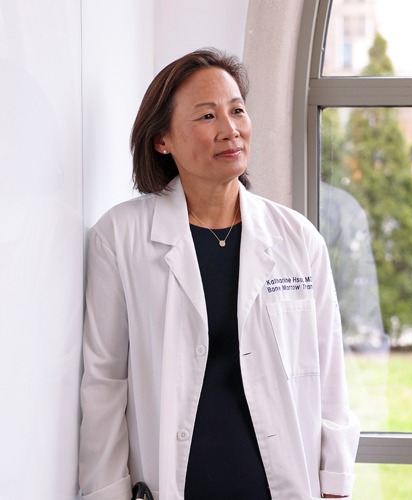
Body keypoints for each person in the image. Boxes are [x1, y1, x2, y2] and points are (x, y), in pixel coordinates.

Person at [79, 48, 359, 500]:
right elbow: (105, 382)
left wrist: (335, 482)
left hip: (279, 481)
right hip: (176, 483)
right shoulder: (121, 236)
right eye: (207, 115)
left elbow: (328, 369)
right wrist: (107, 490)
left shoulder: (297, 238)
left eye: (237, 111)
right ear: (162, 140)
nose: (230, 130)